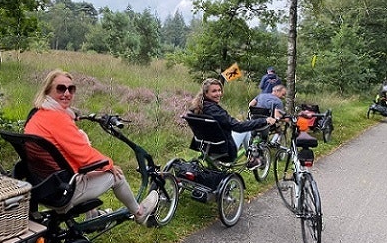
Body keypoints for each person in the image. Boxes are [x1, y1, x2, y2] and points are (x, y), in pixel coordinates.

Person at [24, 69, 158, 225]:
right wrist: (109, 165)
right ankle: (139, 213)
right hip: (64, 190)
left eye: (71, 89)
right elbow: (84, 155)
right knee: (116, 175)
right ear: (47, 91)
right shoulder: (57, 119)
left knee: (94, 166)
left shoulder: (37, 115)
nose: (67, 93)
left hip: (44, 186)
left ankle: (93, 215)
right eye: (61, 88)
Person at [188, 78, 277, 170]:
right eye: (214, 91)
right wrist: (264, 120)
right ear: (206, 93)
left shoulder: (197, 108)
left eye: (219, 90)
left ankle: (251, 156)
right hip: (223, 150)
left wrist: (232, 122)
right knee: (245, 129)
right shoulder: (214, 110)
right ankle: (252, 158)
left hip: (204, 146)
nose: (218, 94)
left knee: (240, 126)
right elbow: (238, 127)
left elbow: (222, 121)